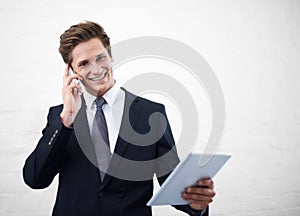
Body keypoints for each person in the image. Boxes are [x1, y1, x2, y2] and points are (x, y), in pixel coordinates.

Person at [23, 21, 215, 216]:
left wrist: (195, 203)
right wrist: (67, 119)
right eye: (84, 63)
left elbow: (170, 181)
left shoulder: (151, 113)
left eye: (100, 58)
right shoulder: (60, 117)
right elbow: (35, 179)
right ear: (72, 71)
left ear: (111, 56)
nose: (96, 69)